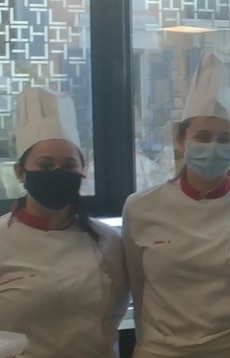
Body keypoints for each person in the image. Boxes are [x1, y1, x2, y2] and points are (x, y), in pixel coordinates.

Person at [123, 51, 230, 358]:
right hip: (164, 350)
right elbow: (139, 291)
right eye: (202, 136)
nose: (213, 146)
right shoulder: (141, 208)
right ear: (180, 140)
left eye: (224, 138)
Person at [0, 87, 129, 358]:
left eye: (69, 165)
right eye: (45, 165)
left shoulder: (109, 241)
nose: (58, 173)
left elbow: (114, 315)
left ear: (82, 171)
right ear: (20, 172)